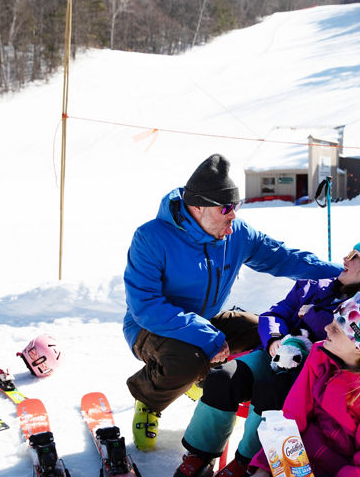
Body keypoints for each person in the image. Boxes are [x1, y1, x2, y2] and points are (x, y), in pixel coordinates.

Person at [123, 154, 343, 451]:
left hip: (207, 318)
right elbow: (145, 307)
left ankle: (215, 383)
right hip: (152, 327)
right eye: (226, 208)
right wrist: (206, 336)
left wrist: (344, 275)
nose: (233, 216)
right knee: (188, 360)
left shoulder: (235, 234)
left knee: (265, 333)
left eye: (236, 206)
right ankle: (149, 398)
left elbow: (285, 258)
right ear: (197, 206)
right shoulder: (151, 238)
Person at [174, 241, 360, 477]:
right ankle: (200, 453)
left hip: (303, 371)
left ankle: (246, 461)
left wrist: (314, 313)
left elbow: (338, 339)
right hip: (272, 355)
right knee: (224, 376)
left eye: (355, 256)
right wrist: (274, 339)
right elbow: (276, 313)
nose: (345, 259)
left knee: (273, 394)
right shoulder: (313, 288)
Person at [246, 291, 360, 477]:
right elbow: (293, 415)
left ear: (359, 345)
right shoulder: (320, 356)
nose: (327, 328)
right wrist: (265, 466)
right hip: (296, 460)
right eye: (333, 320)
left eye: (338, 328)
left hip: (337, 470)